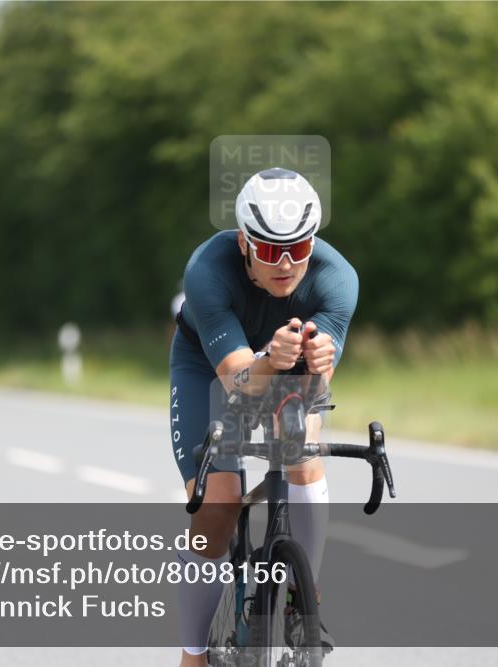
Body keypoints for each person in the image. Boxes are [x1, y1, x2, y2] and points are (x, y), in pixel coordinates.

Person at [169, 168, 358, 665]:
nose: (287, 263)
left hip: (286, 365)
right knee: (217, 506)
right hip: (209, 368)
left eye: (299, 248)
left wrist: (315, 370)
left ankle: (304, 591)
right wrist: (269, 360)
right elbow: (236, 381)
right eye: (272, 250)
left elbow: (317, 388)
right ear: (243, 241)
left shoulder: (338, 279)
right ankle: (192, 654)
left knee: (300, 446)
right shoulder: (208, 270)